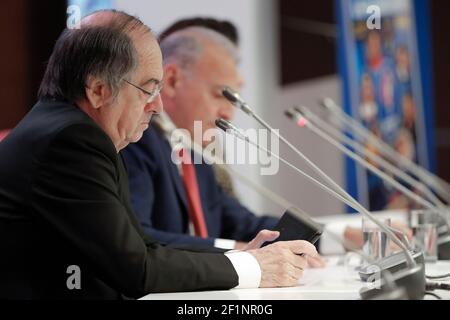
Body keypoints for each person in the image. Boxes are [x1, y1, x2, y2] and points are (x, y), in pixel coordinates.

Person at [0, 10, 319, 300]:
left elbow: (138, 244)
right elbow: (136, 269)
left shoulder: (74, 133)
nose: (158, 106)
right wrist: (253, 268)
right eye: (148, 89)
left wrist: (240, 260)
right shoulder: (71, 142)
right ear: (98, 90)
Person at [122, 21, 280, 250]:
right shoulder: (137, 139)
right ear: (173, 80)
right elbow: (139, 236)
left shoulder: (194, 148)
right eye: (220, 95)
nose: (228, 113)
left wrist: (336, 236)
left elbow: (242, 224)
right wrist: (234, 250)